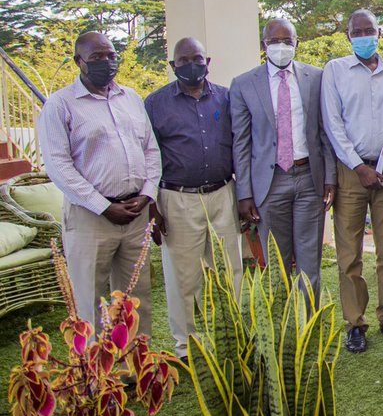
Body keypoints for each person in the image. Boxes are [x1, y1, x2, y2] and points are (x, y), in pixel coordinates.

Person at [38, 31, 161, 336]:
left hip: (135, 212)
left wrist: (147, 195)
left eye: (110, 55)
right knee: (90, 299)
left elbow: (150, 150)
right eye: (96, 57)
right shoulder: (60, 105)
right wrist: (103, 206)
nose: (106, 62)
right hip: (91, 216)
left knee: (136, 299)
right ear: (79, 61)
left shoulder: (130, 98)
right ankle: (98, 377)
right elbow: (58, 165)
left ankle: (135, 368)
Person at [144, 37, 244, 359]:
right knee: (183, 277)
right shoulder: (155, 104)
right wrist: (151, 203)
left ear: (208, 61)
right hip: (178, 198)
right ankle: (187, 345)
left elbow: (240, 145)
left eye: (197, 59)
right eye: (183, 61)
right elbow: (147, 154)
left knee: (231, 269)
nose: (191, 65)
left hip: (222, 194)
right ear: (173, 65)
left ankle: (234, 335)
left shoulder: (227, 99)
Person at [230, 18, 336, 301]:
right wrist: (244, 193)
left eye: (287, 41)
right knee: (276, 261)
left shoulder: (316, 77)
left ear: (297, 43)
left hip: (308, 178)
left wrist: (330, 179)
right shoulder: (243, 85)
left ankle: (307, 324)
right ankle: (282, 327)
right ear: (264, 45)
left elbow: (324, 132)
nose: (281, 47)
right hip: (270, 182)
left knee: (309, 261)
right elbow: (241, 143)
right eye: (274, 41)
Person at [321, 9, 383, 353]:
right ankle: (355, 323)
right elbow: (332, 124)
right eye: (357, 31)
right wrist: (358, 167)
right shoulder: (335, 71)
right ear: (348, 36)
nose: (364, 36)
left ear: (380, 33)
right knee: (350, 255)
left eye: (369, 30)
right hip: (351, 173)